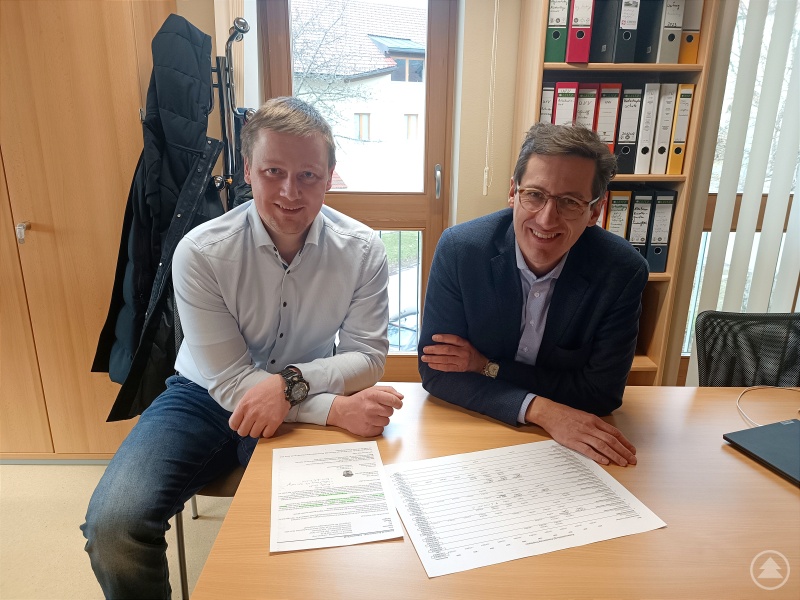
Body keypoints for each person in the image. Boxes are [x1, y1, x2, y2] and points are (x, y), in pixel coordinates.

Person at [82, 97, 403, 598]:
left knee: (311, 529)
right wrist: (333, 410)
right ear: (248, 170)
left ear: (330, 176)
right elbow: (230, 380)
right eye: (274, 171)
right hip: (201, 396)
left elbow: (368, 356)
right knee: (113, 528)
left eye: (308, 175)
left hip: (302, 390)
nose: (290, 192)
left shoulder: (362, 251)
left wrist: (291, 384)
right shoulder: (201, 252)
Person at [419, 122, 648, 468]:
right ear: (513, 192)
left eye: (570, 202)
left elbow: (601, 394)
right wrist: (540, 409)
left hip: (566, 452)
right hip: (475, 432)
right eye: (535, 195)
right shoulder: (461, 250)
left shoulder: (621, 272)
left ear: (594, 211)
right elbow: (438, 372)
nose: (546, 219)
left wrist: (484, 366)